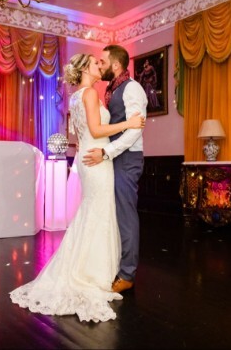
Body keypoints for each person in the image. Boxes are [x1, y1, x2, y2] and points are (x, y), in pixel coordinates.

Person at [10, 53, 146, 322]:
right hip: (97, 158)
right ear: (85, 68)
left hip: (87, 158)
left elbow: (82, 132)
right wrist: (129, 123)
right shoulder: (91, 94)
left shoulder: (75, 96)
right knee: (100, 213)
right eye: (96, 63)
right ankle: (96, 272)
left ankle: (90, 267)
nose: (100, 65)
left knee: (92, 212)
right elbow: (96, 130)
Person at [82, 45, 148, 294]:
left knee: (125, 213)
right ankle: (113, 264)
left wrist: (107, 152)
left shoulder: (132, 88)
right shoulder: (112, 89)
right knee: (112, 212)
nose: (100, 65)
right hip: (113, 157)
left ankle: (128, 274)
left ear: (116, 65)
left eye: (103, 61)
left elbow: (135, 129)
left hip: (127, 158)